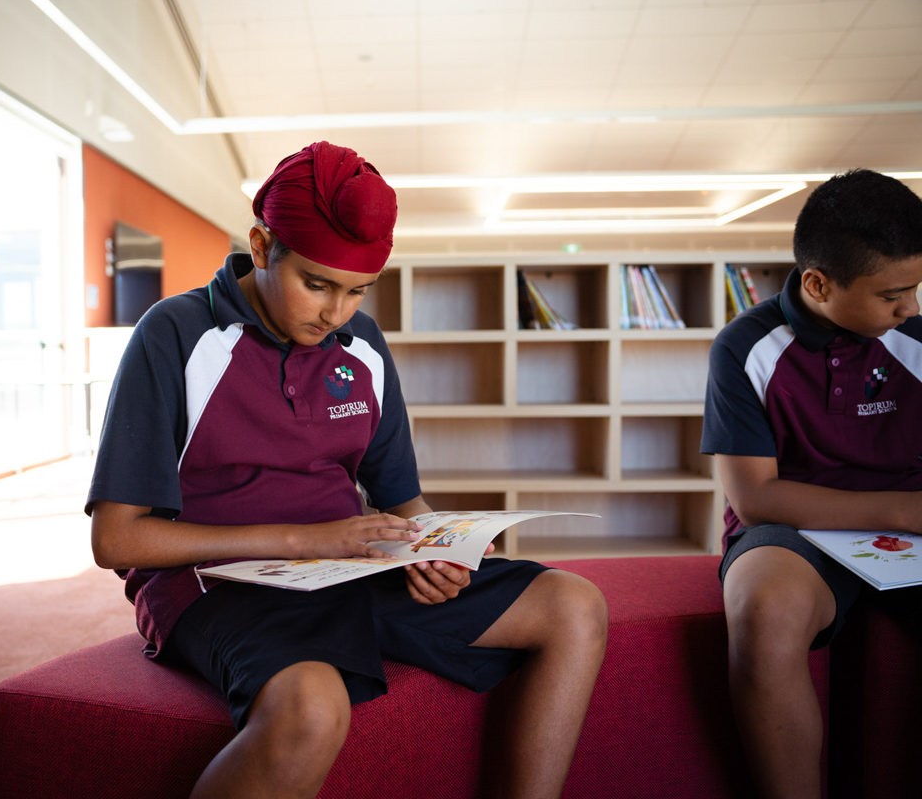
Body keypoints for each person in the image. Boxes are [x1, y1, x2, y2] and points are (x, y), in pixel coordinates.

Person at [86, 141, 608, 799]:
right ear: (261, 244)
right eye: (317, 284)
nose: (336, 313)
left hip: (351, 563)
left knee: (574, 606)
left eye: (358, 290)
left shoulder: (362, 346)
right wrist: (305, 539)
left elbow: (402, 499)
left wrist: (438, 549)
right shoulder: (177, 334)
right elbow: (118, 540)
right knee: (311, 707)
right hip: (215, 582)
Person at [701, 169, 922, 799]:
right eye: (893, 295)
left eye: (916, 289)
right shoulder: (745, 347)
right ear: (819, 284)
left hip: (911, 524)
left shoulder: (917, 336)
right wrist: (906, 511)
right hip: (794, 533)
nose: (910, 308)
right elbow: (757, 497)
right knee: (764, 609)